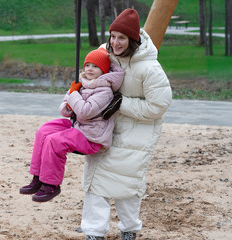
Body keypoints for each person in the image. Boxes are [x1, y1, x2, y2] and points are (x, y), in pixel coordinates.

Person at [80, 9, 172, 240]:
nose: (115, 42)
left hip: (136, 135)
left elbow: (158, 106)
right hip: (104, 130)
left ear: (133, 39)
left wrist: (121, 102)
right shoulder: (105, 54)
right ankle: (93, 233)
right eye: (113, 36)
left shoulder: (149, 69)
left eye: (122, 38)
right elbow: (91, 75)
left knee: (127, 185)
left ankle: (129, 229)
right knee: (95, 183)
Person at [19, 48, 124, 203]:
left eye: (95, 66)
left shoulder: (105, 91)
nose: (89, 69)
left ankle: (51, 185)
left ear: (104, 70)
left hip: (92, 136)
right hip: (78, 126)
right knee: (44, 131)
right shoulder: (81, 83)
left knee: (55, 141)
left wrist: (74, 94)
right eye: (87, 65)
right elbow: (64, 110)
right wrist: (70, 103)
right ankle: (38, 177)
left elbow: (84, 111)